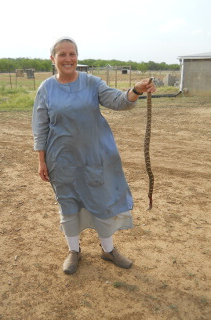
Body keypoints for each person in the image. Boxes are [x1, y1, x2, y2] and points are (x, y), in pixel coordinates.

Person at [32, 37, 156, 274]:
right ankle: (74, 251)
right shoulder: (46, 88)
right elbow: (40, 126)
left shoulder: (92, 83)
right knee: (68, 203)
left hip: (96, 157)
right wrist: (41, 160)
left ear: (77, 57)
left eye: (72, 54)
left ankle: (108, 250)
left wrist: (136, 91)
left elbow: (119, 101)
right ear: (53, 59)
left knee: (102, 201)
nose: (68, 59)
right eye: (62, 54)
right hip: (62, 160)